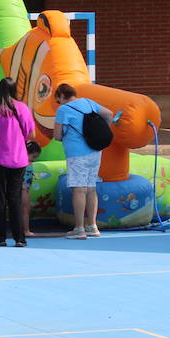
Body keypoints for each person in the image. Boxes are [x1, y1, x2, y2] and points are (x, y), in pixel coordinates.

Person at [52, 82, 114, 239]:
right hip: (95, 151)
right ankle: (92, 226)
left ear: (61, 96)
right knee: (91, 188)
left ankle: (79, 228)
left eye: (58, 99)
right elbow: (109, 114)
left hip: (76, 154)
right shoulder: (88, 102)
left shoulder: (63, 110)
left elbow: (57, 136)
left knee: (79, 190)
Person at [0, 78, 35, 247]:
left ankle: (0, 237)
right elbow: (32, 136)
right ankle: (20, 238)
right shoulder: (23, 109)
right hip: (19, 160)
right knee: (15, 198)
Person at [21, 140, 41, 238]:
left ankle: (24, 229)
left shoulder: (27, 162)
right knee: (25, 208)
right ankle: (25, 230)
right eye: (33, 157)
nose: (34, 160)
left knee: (26, 208)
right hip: (22, 188)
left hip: (26, 188)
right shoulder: (22, 162)